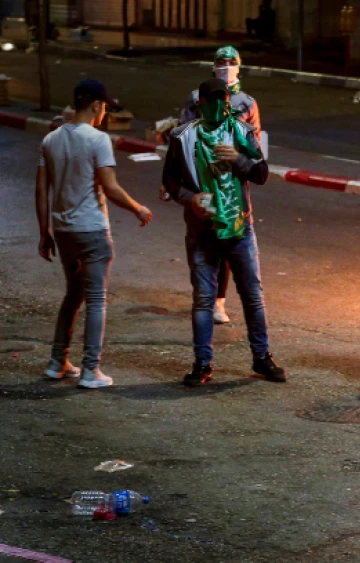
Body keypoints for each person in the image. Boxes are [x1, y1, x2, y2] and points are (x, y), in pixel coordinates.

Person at [163, 78, 286, 387]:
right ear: (200, 104)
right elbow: (170, 180)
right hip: (202, 229)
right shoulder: (182, 137)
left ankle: (262, 358)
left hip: (239, 227)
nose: (220, 107)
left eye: (225, 101)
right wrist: (190, 199)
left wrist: (238, 159)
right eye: (213, 101)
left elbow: (261, 174)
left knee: (252, 296)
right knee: (204, 299)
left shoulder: (241, 133)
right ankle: (202, 364)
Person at [36, 79, 153, 389]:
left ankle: (57, 361)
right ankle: (91, 370)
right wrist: (138, 208)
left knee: (73, 295)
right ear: (97, 106)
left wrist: (43, 231)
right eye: (105, 108)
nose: (105, 114)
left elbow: (40, 190)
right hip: (92, 230)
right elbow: (110, 187)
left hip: (63, 231)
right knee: (97, 300)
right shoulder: (98, 140)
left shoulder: (50, 140)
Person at [174, 45, 262, 325]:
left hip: (233, 188)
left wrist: (240, 161)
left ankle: (218, 302)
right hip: (203, 185)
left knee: (229, 240)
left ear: (239, 66)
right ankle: (204, 297)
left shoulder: (247, 104)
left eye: (231, 62)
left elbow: (257, 150)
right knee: (202, 240)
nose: (226, 66)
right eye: (221, 62)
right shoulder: (194, 99)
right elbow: (182, 141)